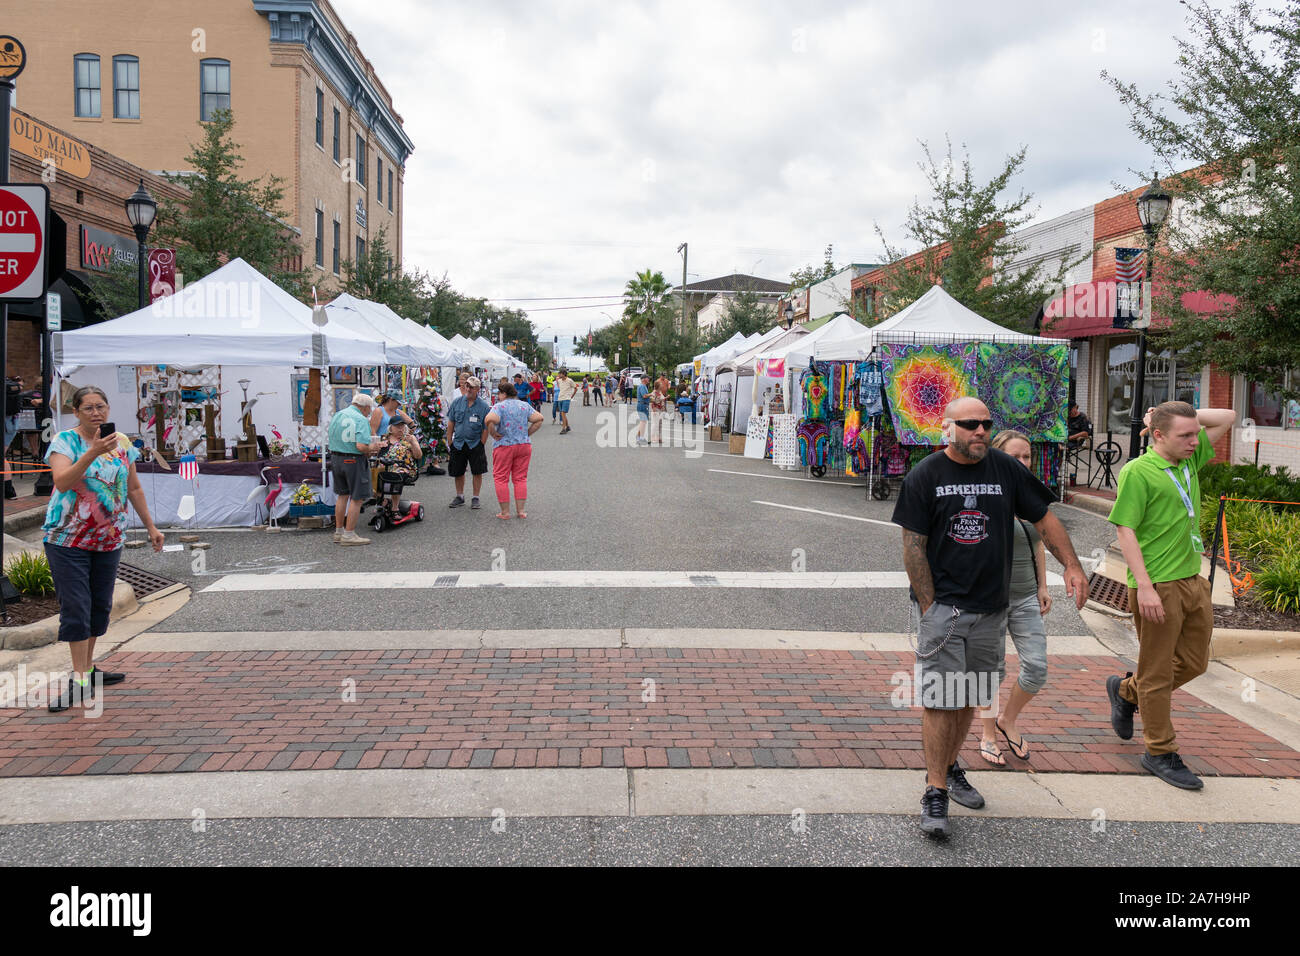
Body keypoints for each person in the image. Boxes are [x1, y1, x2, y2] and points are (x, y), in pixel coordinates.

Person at [892, 396, 1088, 838]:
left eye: (985, 423)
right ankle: (936, 789)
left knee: (970, 697)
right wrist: (930, 609)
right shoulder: (926, 476)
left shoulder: (1005, 469)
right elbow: (912, 547)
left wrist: (1072, 565)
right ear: (948, 428)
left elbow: (1044, 519)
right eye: (969, 424)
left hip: (992, 610)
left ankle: (948, 766)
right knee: (942, 700)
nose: (979, 431)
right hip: (945, 609)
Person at [1105, 401, 1235, 790]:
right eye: (1185, 435)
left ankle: (1128, 690)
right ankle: (1160, 751)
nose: (1195, 441)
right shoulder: (1138, 471)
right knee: (1158, 673)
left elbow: (1227, 417)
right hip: (1157, 584)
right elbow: (1125, 530)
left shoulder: (1187, 462)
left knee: (1195, 663)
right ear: (1159, 436)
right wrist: (1144, 586)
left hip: (1193, 580)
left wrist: (1167, 411)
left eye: (1196, 433)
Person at [43, 385, 165, 712]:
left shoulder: (122, 443)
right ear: (76, 412)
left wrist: (151, 526)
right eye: (88, 408)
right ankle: (79, 680)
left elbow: (134, 487)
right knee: (77, 608)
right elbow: (62, 482)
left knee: (99, 608)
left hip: (108, 539)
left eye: (101, 406)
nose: (96, 413)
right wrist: (92, 452)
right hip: (67, 539)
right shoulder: (64, 442)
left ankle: (88, 670)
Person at [975, 430, 1052, 766]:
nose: (1023, 462)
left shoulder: (1029, 495)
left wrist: (1043, 586)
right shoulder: (983, 493)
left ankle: (1008, 719)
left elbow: (1038, 542)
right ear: (997, 457)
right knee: (991, 671)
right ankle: (988, 733)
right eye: (1015, 457)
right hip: (989, 600)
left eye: (1027, 456)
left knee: (1036, 668)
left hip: (1025, 598)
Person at [328, 391, 384, 545]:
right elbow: (361, 446)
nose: (369, 413)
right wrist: (374, 447)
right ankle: (349, 534)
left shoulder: (338, 415)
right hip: (352, 459)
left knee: (342, 495)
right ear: (364, 407)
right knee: (357, 497)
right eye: (369, 409)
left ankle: (339, 532)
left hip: (336, 457)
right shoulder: (361, 419)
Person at [484, 381, 543, 519]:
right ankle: (521, 511)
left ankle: (505, 512)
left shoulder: (499, 407)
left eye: (499, 393)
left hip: (504, 445)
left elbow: (489, 419)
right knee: (520, 478)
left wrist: (493, 433)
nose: (498, 396)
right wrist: (527, 433)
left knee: (501, 478)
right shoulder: (524, 405)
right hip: (523, 445)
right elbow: (539, 419)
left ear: (504, 393)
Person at [446, 376, 490, 509]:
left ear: (477, 389)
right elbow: (451, 422)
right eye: (467, 386)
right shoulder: (457, 402)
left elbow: (486, 427)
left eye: (471, 387)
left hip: (475, 443)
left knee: (477, 471)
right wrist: (449, 440)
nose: (468, 389)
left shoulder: (483, 406)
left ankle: (475, 497)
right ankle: (460, 496)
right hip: (458, 443)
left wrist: (482, 443)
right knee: (458, 471)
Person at [376, 418, 421, 514]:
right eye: (397, 426)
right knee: (370, 475)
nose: (400, 429)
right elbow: (374, 455)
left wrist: (413, 443)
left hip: (405, 468)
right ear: (390, 428)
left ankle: (395, 508)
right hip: (384, 467)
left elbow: (418, 456)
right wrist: (377, 448)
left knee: (395, 474)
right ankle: (382, 501)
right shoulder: (383, 439)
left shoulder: (409, 438)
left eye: (402, 426)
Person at [555, 369, 579, 434]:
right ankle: (567, 426)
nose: (558, 375)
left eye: (560, 374)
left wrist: (571, 397)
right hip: (560, 398)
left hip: (566, 399)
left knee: (562, 413)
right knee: (563, 414)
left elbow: (576, 388)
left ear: (563, 374)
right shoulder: (559, 381)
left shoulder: (570, 380)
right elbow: (560, 388)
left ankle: (564, 428)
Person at [648, 376, 668, 444]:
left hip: (660, 409)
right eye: (660, 385)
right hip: (656, 409)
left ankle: (659, 438)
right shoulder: (654, 392)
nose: (662, 385)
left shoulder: (660, 392)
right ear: (658, 386)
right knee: (655, 424)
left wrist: (665, 399)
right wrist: (653, 408)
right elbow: (651, 400)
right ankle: (653, 438)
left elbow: (662, 399)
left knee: (660, 424)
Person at [635, 375, 651, 445]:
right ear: (643, 379)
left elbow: (646, 396)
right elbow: (644, 395)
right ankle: (641, 438)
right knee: (643, 422)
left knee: (642, 422)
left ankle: (638, 437)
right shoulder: (642, 386)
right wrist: (652, 394)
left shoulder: (643, 386)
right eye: (648, 378)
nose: (649, 379)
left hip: (643, 404)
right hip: (642, 405)